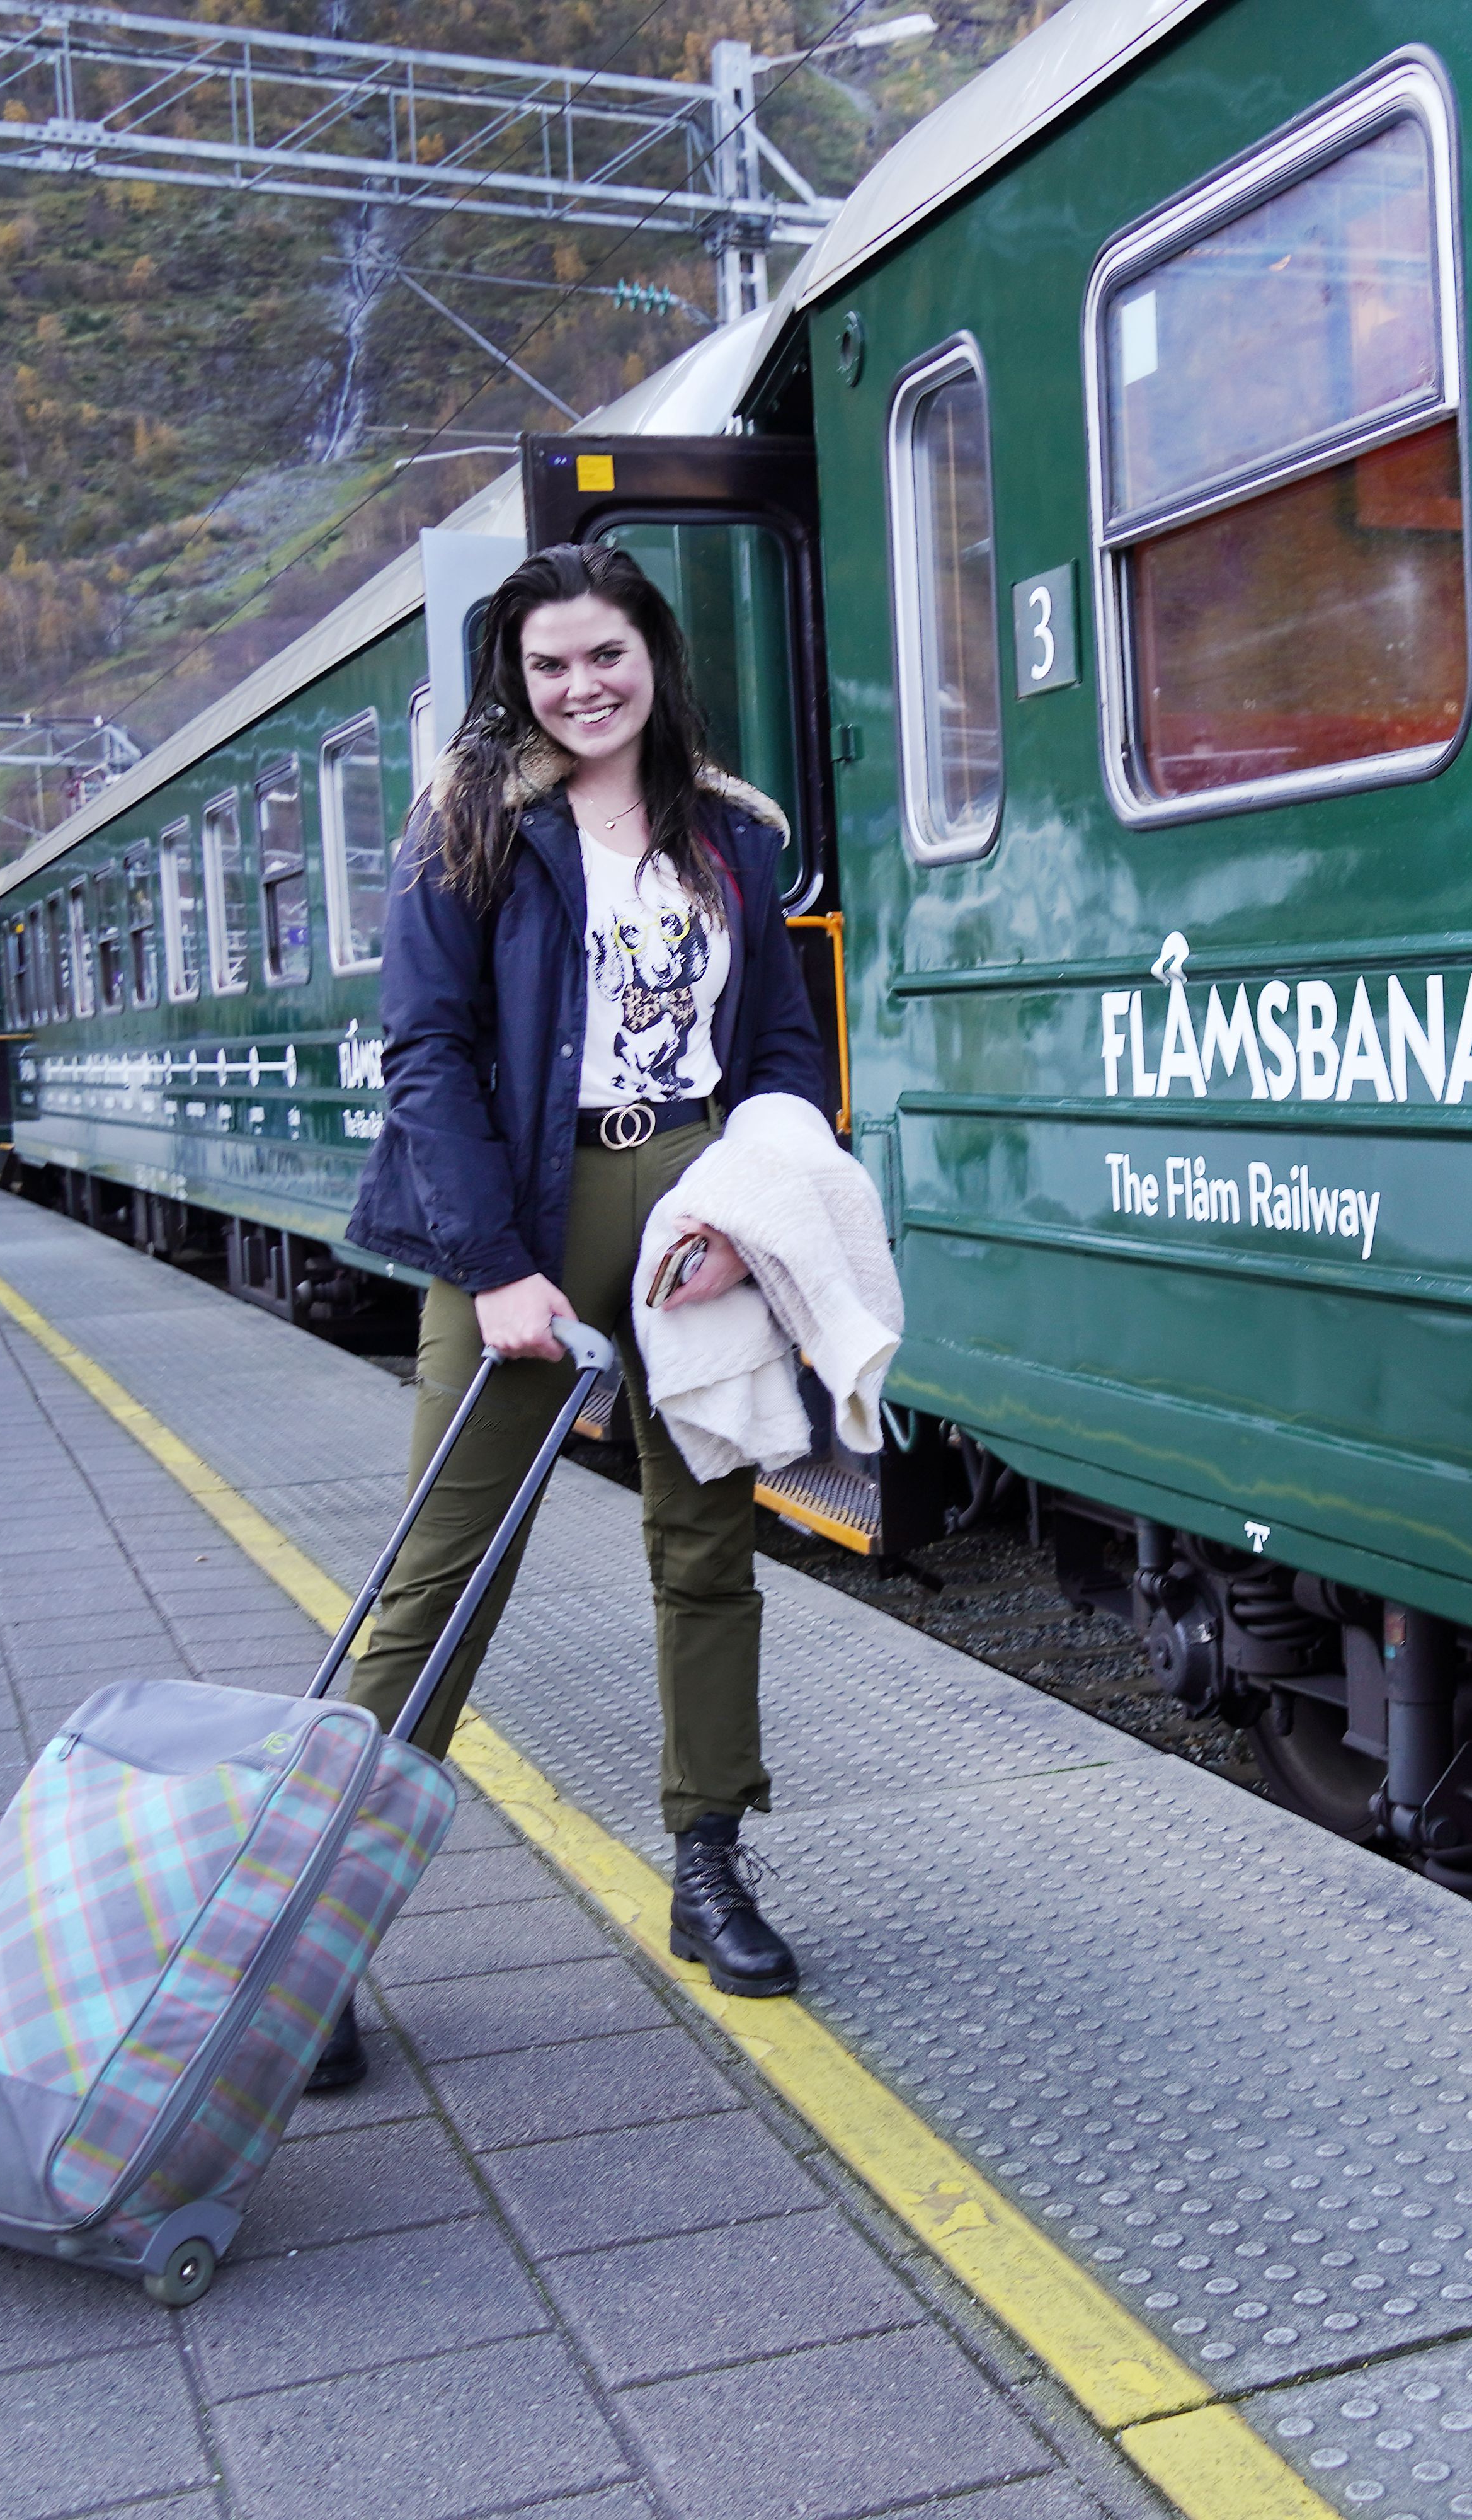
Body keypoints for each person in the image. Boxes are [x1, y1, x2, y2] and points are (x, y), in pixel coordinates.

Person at [325, 541, 830, 2087]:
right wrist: (490, 1268)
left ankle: (710, 1861)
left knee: (708, 1543)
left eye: (604, 655)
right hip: (523, 1216)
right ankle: (306, 1929)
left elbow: (791, 1052)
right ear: (514, 676)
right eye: (547, 665)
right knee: (441, 1574)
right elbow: (427, 1052)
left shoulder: (730, 836)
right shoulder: (474, 822)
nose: (579, 687)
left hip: (694, 1208)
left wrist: (748, 1220)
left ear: (655, 656)